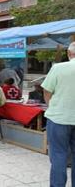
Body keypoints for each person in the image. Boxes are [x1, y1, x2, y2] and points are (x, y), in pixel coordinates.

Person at [41, 42, 75, 187]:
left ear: (69, 53)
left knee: (58, 156)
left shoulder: (59, 68)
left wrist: (52, 105)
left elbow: (47, 91)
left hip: (58, 118)